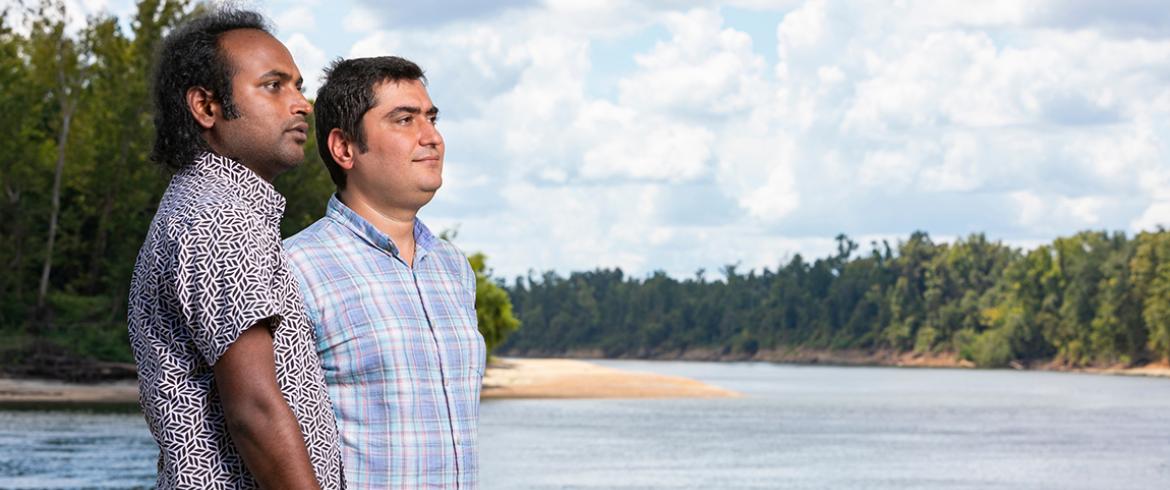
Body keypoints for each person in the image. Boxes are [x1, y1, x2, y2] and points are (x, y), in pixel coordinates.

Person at [127, 9, 343, 489]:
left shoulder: (212, 206)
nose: (302, 104)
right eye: (273, 86)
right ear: (206, 107)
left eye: (298, 86)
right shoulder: (218, 217)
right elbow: (255, 410)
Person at [284, 56, 486, 489]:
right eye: (404, 120)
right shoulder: (294, 268)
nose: (431, 137)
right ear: (345, 148)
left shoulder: (453, 268)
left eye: (431, 118)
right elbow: (266, 428)